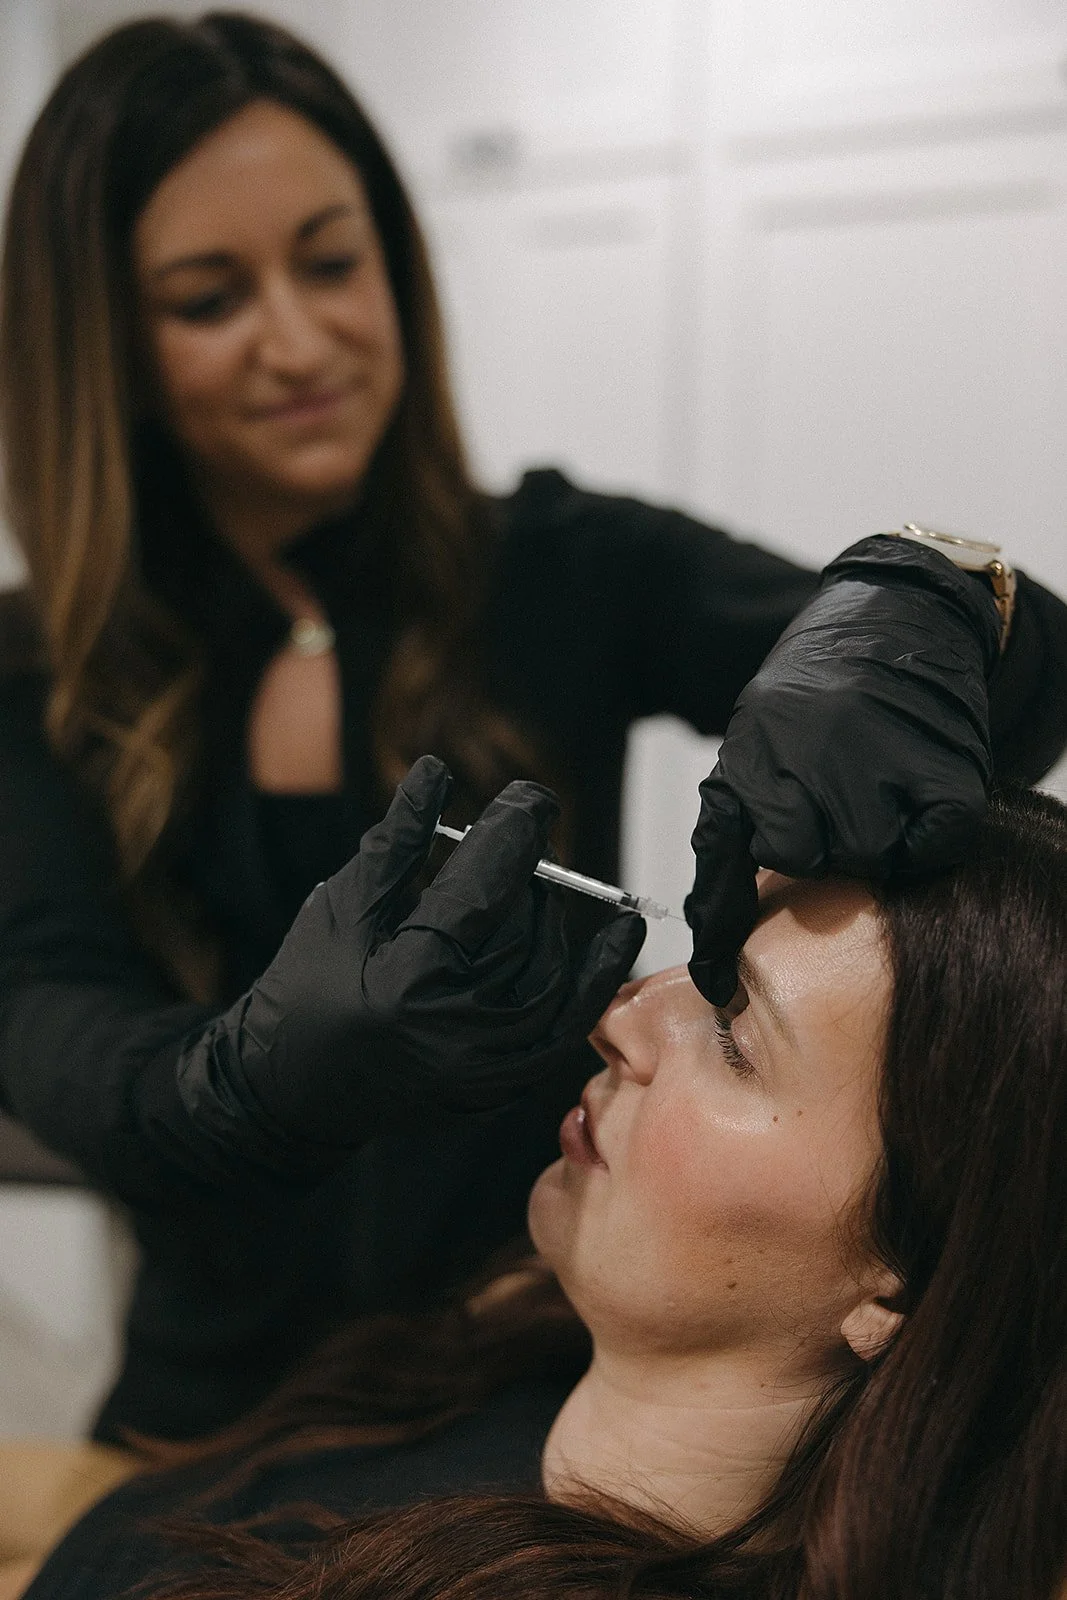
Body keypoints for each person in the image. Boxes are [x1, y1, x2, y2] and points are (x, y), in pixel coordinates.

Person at [2, 9, 1067, 1446]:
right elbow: (59, 1040)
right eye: (209, 297)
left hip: (537, 1390)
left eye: (332, 261)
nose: (300, 337)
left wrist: (928, 603)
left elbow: (986, 696)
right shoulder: (33, 676)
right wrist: (238, 1085)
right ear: (104, 348)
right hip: (208, 1426)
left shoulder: (566, 564)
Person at [3, 778, 1067, 1600]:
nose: (618, 1014)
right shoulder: (488, 1362)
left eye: (736, 1038)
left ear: (902, 1280)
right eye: (694, 963)